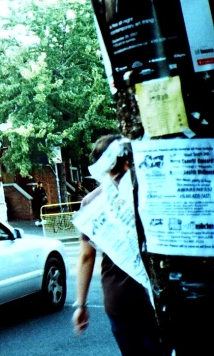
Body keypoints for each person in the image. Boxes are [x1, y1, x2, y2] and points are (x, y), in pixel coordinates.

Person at [72, 134, 167, 356]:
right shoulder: (150, 191)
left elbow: (86, 256)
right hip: (155, 293)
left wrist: (81, 305)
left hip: (118, 296)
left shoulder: (92, 202)